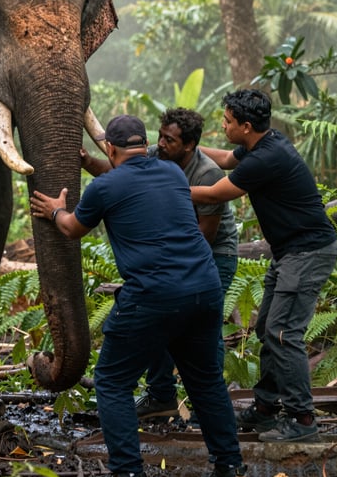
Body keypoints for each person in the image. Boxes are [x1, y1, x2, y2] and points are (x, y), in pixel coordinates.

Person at [31, 115, 248, 477]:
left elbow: (71, 228)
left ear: (111, 149)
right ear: (145, 144)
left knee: (112, 381)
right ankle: (228, 470)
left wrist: (55, 210)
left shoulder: (105, 185)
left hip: (153, 294)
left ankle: (127, 476)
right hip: (205, 288)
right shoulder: (173, 174)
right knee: (206, 381)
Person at [190, 89, 337, 443]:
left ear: (245, 126)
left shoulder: (267, 158)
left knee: (284, 332)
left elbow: (216, 193)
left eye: (226, 121)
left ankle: (303, 420)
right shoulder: (262, 142)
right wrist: (188, 149)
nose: (222, 126)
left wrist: (165, 185)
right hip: (289, 252)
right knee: (268, 329)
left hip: (307, 253)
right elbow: (226, 158)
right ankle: (267, 408)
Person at [81, 108, 239, 421]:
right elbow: (118, 176)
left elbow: (203, 239)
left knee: (203, 333)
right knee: (163, 323)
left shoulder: (206, 174)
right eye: (161, 136)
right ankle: (161, 395)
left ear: (190, 145)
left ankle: (206, 401)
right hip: (176, 254)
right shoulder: (157, 156)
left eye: (170, 140)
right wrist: (87, 161)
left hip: (210, 256)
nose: (161, 144)